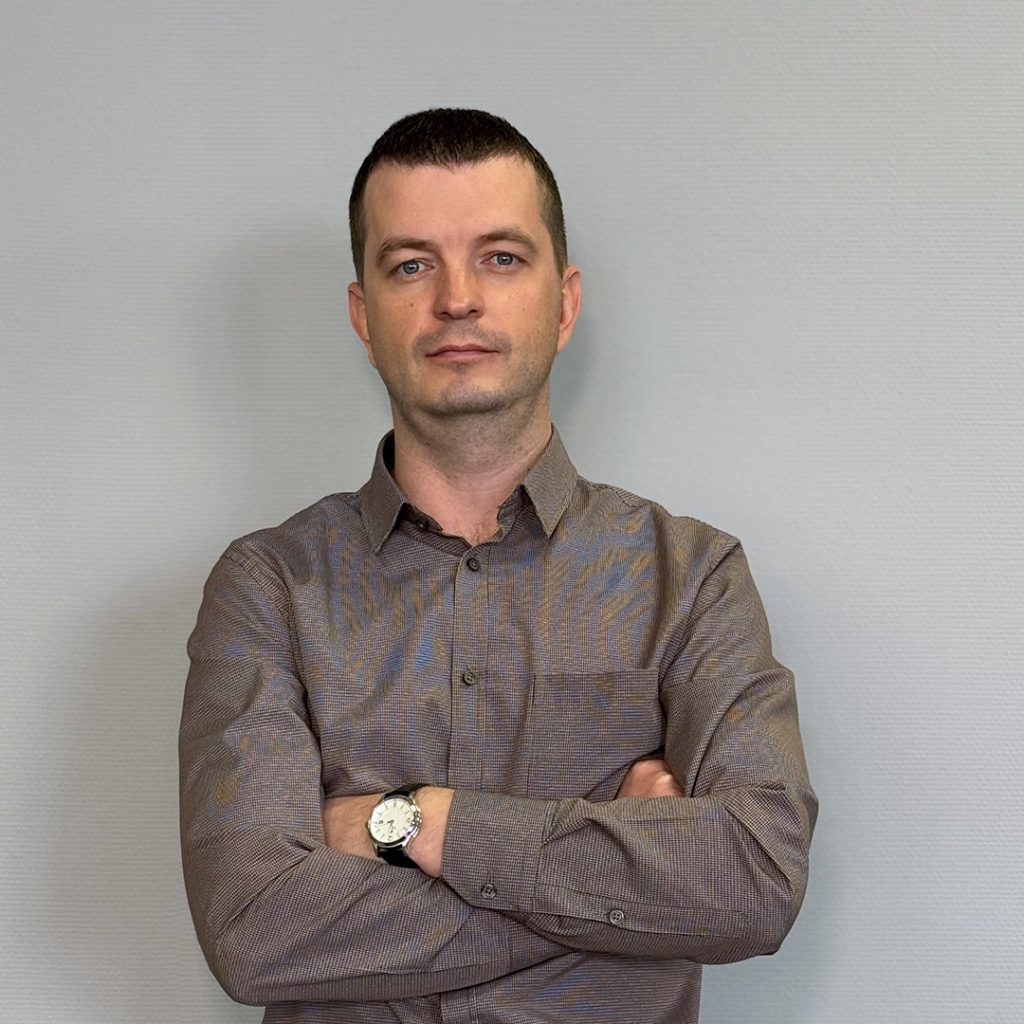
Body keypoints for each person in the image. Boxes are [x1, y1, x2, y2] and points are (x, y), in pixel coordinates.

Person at [180, 107, 817, 1024]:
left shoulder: (693, 577)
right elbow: (253, 929)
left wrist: (412, 822)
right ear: (363, 316)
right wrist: (619, 885)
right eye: (411, 265)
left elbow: (756, 878)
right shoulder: (267, 588)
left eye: (501, 258)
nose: (457, 299)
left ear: (564, 303)